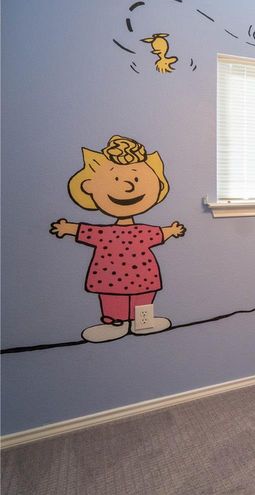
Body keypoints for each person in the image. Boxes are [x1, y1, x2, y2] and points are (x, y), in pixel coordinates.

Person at [50, 135, 186, 342]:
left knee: (143, 298)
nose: (128, 187)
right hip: (110, 277)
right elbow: (86, 231)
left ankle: (142, 321)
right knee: (112, 299)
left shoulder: (143, 231)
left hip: (143, 276)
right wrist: (67, 228)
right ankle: (115, 323)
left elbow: (159, 233)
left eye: (136, 179)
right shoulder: (104, 233)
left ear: (158, 185)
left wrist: (172, 230)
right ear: (88, 186)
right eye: (116, 180)